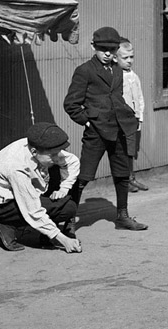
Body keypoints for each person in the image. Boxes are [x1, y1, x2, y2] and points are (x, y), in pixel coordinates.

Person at [63, 26, 148, 231]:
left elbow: (116, 98)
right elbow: (71, 104)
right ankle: (69, 221)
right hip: (96, 133)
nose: (108, 54)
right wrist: (87, 122)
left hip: (119, 130)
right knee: (83, 176)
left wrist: (128, 116)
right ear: (93, 46)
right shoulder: (85, 71)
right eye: (103, 49)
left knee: (122, 174)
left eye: (112, 49)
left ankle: (122, 217)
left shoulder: (118, 70)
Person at [0, 122, 83, 253]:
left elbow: (72, 161)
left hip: (20, 191)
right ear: (34, 151)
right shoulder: (16, 167)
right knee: (67, 208)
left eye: (58, 153)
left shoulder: (40, 147)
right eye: (53, 155)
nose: (57, 158)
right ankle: (5, 223)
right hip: (1, 205)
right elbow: (32, 211)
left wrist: (64, 188)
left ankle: (44, 232)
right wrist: (63, 239)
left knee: (65, 190)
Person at [114, 38, 149, 193]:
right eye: (125, 58)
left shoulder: (134, 76)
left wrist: (139, 118)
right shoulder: (115, 77)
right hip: (121, 121)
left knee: (130, 151)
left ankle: (131, 178)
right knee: (121, 152)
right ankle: (124, 182)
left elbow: (140, 98)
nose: (129, 61)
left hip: (133, 121)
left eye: (131, 57)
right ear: (115, 58)